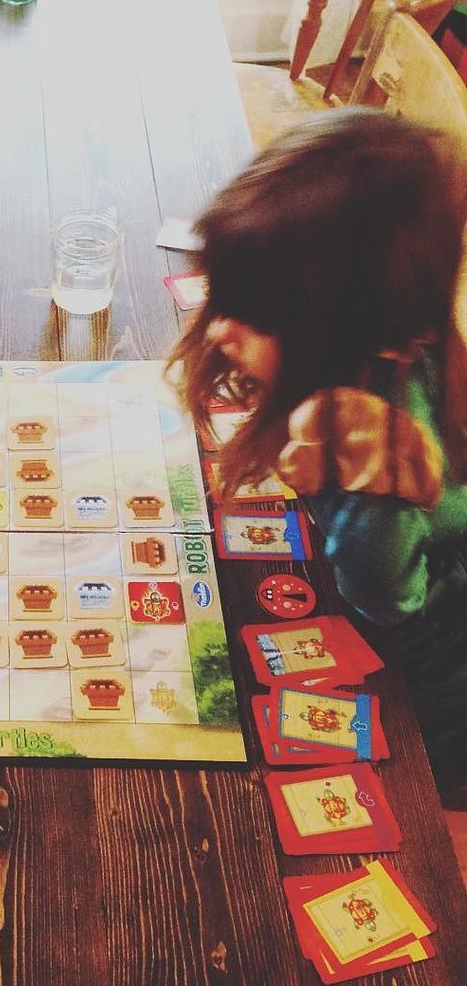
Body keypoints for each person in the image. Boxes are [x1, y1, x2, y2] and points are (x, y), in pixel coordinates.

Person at [168, 108, 467, 798]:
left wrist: (344, 501)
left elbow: (385, 606)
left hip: (432, 702)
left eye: (256, 313)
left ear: (352, 334)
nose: (217, 326)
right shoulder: (402, 334)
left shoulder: (375, 479)